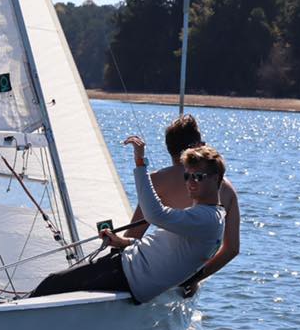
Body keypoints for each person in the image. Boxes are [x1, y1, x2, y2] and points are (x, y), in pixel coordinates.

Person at [28, 136, 226, 304]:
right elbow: (165, 249)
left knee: (51, 283)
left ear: (216, 178)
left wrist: (140, 163)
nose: (190, 183)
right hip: (125, 267)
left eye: (198, 177)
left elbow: (155, 214)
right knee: (55, 284)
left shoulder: (206, 219)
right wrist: (123, 242)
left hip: (125, 275)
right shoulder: (206, 215)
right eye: (187, 176)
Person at [124, 115, 240, 296]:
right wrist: (194, 279)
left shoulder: (156, 181)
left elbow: (133, 235)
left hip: (146, 278)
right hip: (183, 285)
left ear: (169, 149)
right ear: (198, 147)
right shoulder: (226, 188)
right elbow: (231, 249)